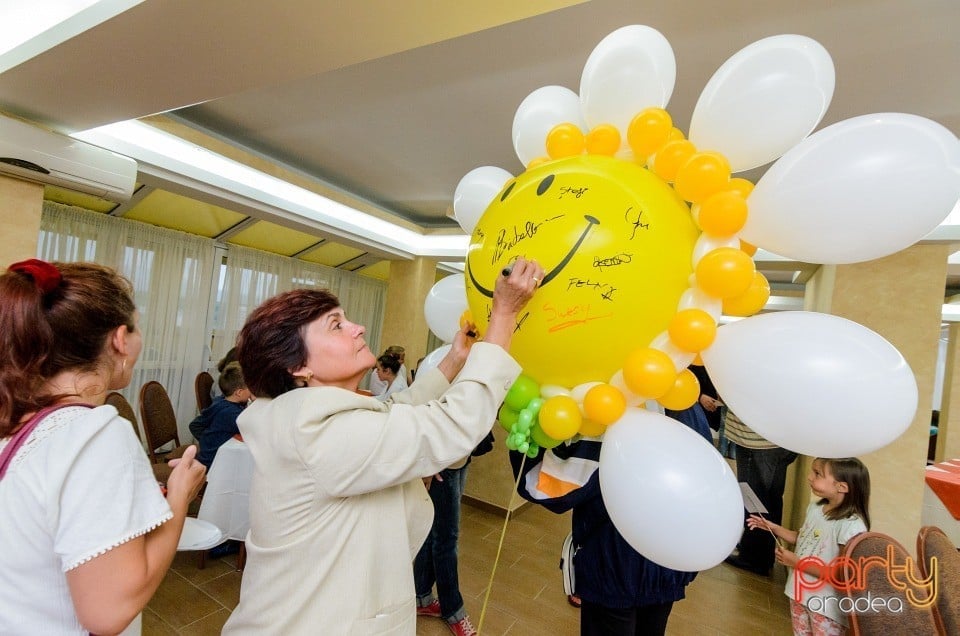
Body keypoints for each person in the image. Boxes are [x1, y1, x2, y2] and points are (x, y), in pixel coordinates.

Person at [222, 257, 543, 635]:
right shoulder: (317, 435)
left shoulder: (302, 415)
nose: (357, 328)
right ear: (298, 367)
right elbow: (450, 425)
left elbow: (389, 411)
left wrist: (455, 360)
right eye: (337, 325)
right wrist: (503, 315)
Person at [0, 259, 206, 635]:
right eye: (137, 326)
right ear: (120, 339)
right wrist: (179, 497)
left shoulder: (16, 422)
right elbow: (108, 611)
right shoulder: (96, 433)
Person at [516, 405, 711, 636]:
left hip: (616, 563)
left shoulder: (609, 410)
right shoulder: (686, 403)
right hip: (667, 561)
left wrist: (525, 433)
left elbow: (551, 489)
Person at [748, 457, 870, 636]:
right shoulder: (815, 508)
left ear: (842, 487)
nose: (809, 477)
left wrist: (797, 562)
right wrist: (773, 527)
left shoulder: (851, 526)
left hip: (825, 606)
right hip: (799, 594)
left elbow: (841, 574)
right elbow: (803, 538)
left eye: (817, 474)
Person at [414, 431, 494, 636]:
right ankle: (454, 612)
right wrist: (429, 464)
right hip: (442, 464)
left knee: (435, 532)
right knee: (446, 539)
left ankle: (421, 596)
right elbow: (428, 408)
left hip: (460, 457)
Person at [723, 409, 798, 576]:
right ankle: (761, 553)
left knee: (754, 497)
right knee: (770, 497)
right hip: (779, 438)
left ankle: (754, 557)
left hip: (759, 440)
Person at [195, 362, 249, 469]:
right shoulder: (232, 413)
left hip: (206, 456)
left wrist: (207, 441)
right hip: (214, 462)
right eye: (250, 388)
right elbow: (251, 430)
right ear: (239, 392)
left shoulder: (220, 402)